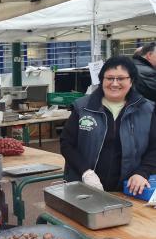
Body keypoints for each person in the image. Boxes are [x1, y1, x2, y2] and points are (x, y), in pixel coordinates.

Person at [61, 55, 156, 195]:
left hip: (129, 189)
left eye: (121, 78)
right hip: (84, 188)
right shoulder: (83, 107)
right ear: (102, 80)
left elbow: (154, 148)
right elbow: (66, 144)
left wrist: (142, 173)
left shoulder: (148, 110)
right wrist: (85, 172)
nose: (115, 83)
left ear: (132, 81)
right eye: (110, 78)